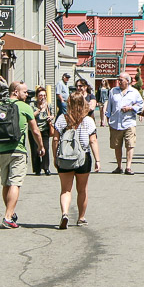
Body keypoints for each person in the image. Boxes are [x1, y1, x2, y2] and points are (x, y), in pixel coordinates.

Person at [0, 80, 41, 229]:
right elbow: (35, 131)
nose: (26, 94)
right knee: (15, 183)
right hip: (18, 150)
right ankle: (8, 217)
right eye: (24, 92)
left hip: (2, 150)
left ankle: (10, 213)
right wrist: (40, 146)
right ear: (15, 92)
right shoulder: (25, 107)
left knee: (6, 183)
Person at [50, 92, 101, 228]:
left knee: (65, 190)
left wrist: (55, 156)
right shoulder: (88, 120)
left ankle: (65, 213)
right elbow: (93, 140)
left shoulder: (62, 119)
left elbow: (55, 139)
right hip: (83, 157)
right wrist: (97, 160)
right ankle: (81, 217)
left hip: (65, 158)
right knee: (82, 189)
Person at [104, 74, 144, 175]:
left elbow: (141, 105)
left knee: (130, 144)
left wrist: (130, 108)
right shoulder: (113, 91)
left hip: (129, 122)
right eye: (119, 80)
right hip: (115, 122)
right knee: (117, 145)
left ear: (128, 81)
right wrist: (107, 118)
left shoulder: (134, 92)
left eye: (121, 80)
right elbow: (110, 105)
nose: (119, 82)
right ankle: (119, 166)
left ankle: (128, 167)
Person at [30, 87, 54, 175]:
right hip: (34, 129)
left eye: (44, 95)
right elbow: (30, 116)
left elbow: (52, 115)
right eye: (40, 95)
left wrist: (51, 117)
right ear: (37, 96)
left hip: (45, 129)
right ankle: (37, 168)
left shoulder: (49, 105)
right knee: (35, 148)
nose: (42, 97)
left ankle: (46, 167)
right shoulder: (32, 105)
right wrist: (39, 109)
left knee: (46, 148)